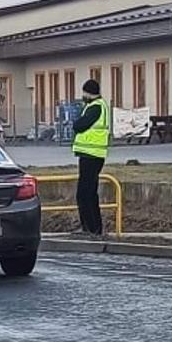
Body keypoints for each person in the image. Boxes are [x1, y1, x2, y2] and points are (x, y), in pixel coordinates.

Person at [71, 78, 111, 235]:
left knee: (84, 193)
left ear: (89, 93)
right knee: (90, 193)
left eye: (84, 93)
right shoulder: (97, 106)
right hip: (94, 155)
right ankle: (93, 228)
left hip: (91, 155)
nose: (83, 96)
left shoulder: (95, 107)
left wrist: (77, 122)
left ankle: (90, 228)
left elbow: (79, 125)